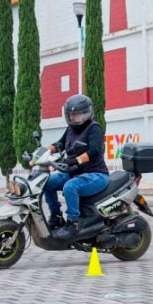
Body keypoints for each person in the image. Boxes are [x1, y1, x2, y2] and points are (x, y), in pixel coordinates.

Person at [43, 94, 109, 240]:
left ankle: (73, 224)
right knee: (47, 182)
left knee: (70, 187)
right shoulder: (71, 129)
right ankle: (56, 216)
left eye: (76, 115)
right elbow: (59, 144)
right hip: (75, 173)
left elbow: (95, 150)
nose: (73, 118)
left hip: (96, 174)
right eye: (70, 115)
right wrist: (42, 152)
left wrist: (75, 161)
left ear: (86, 113)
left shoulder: (94, 128)